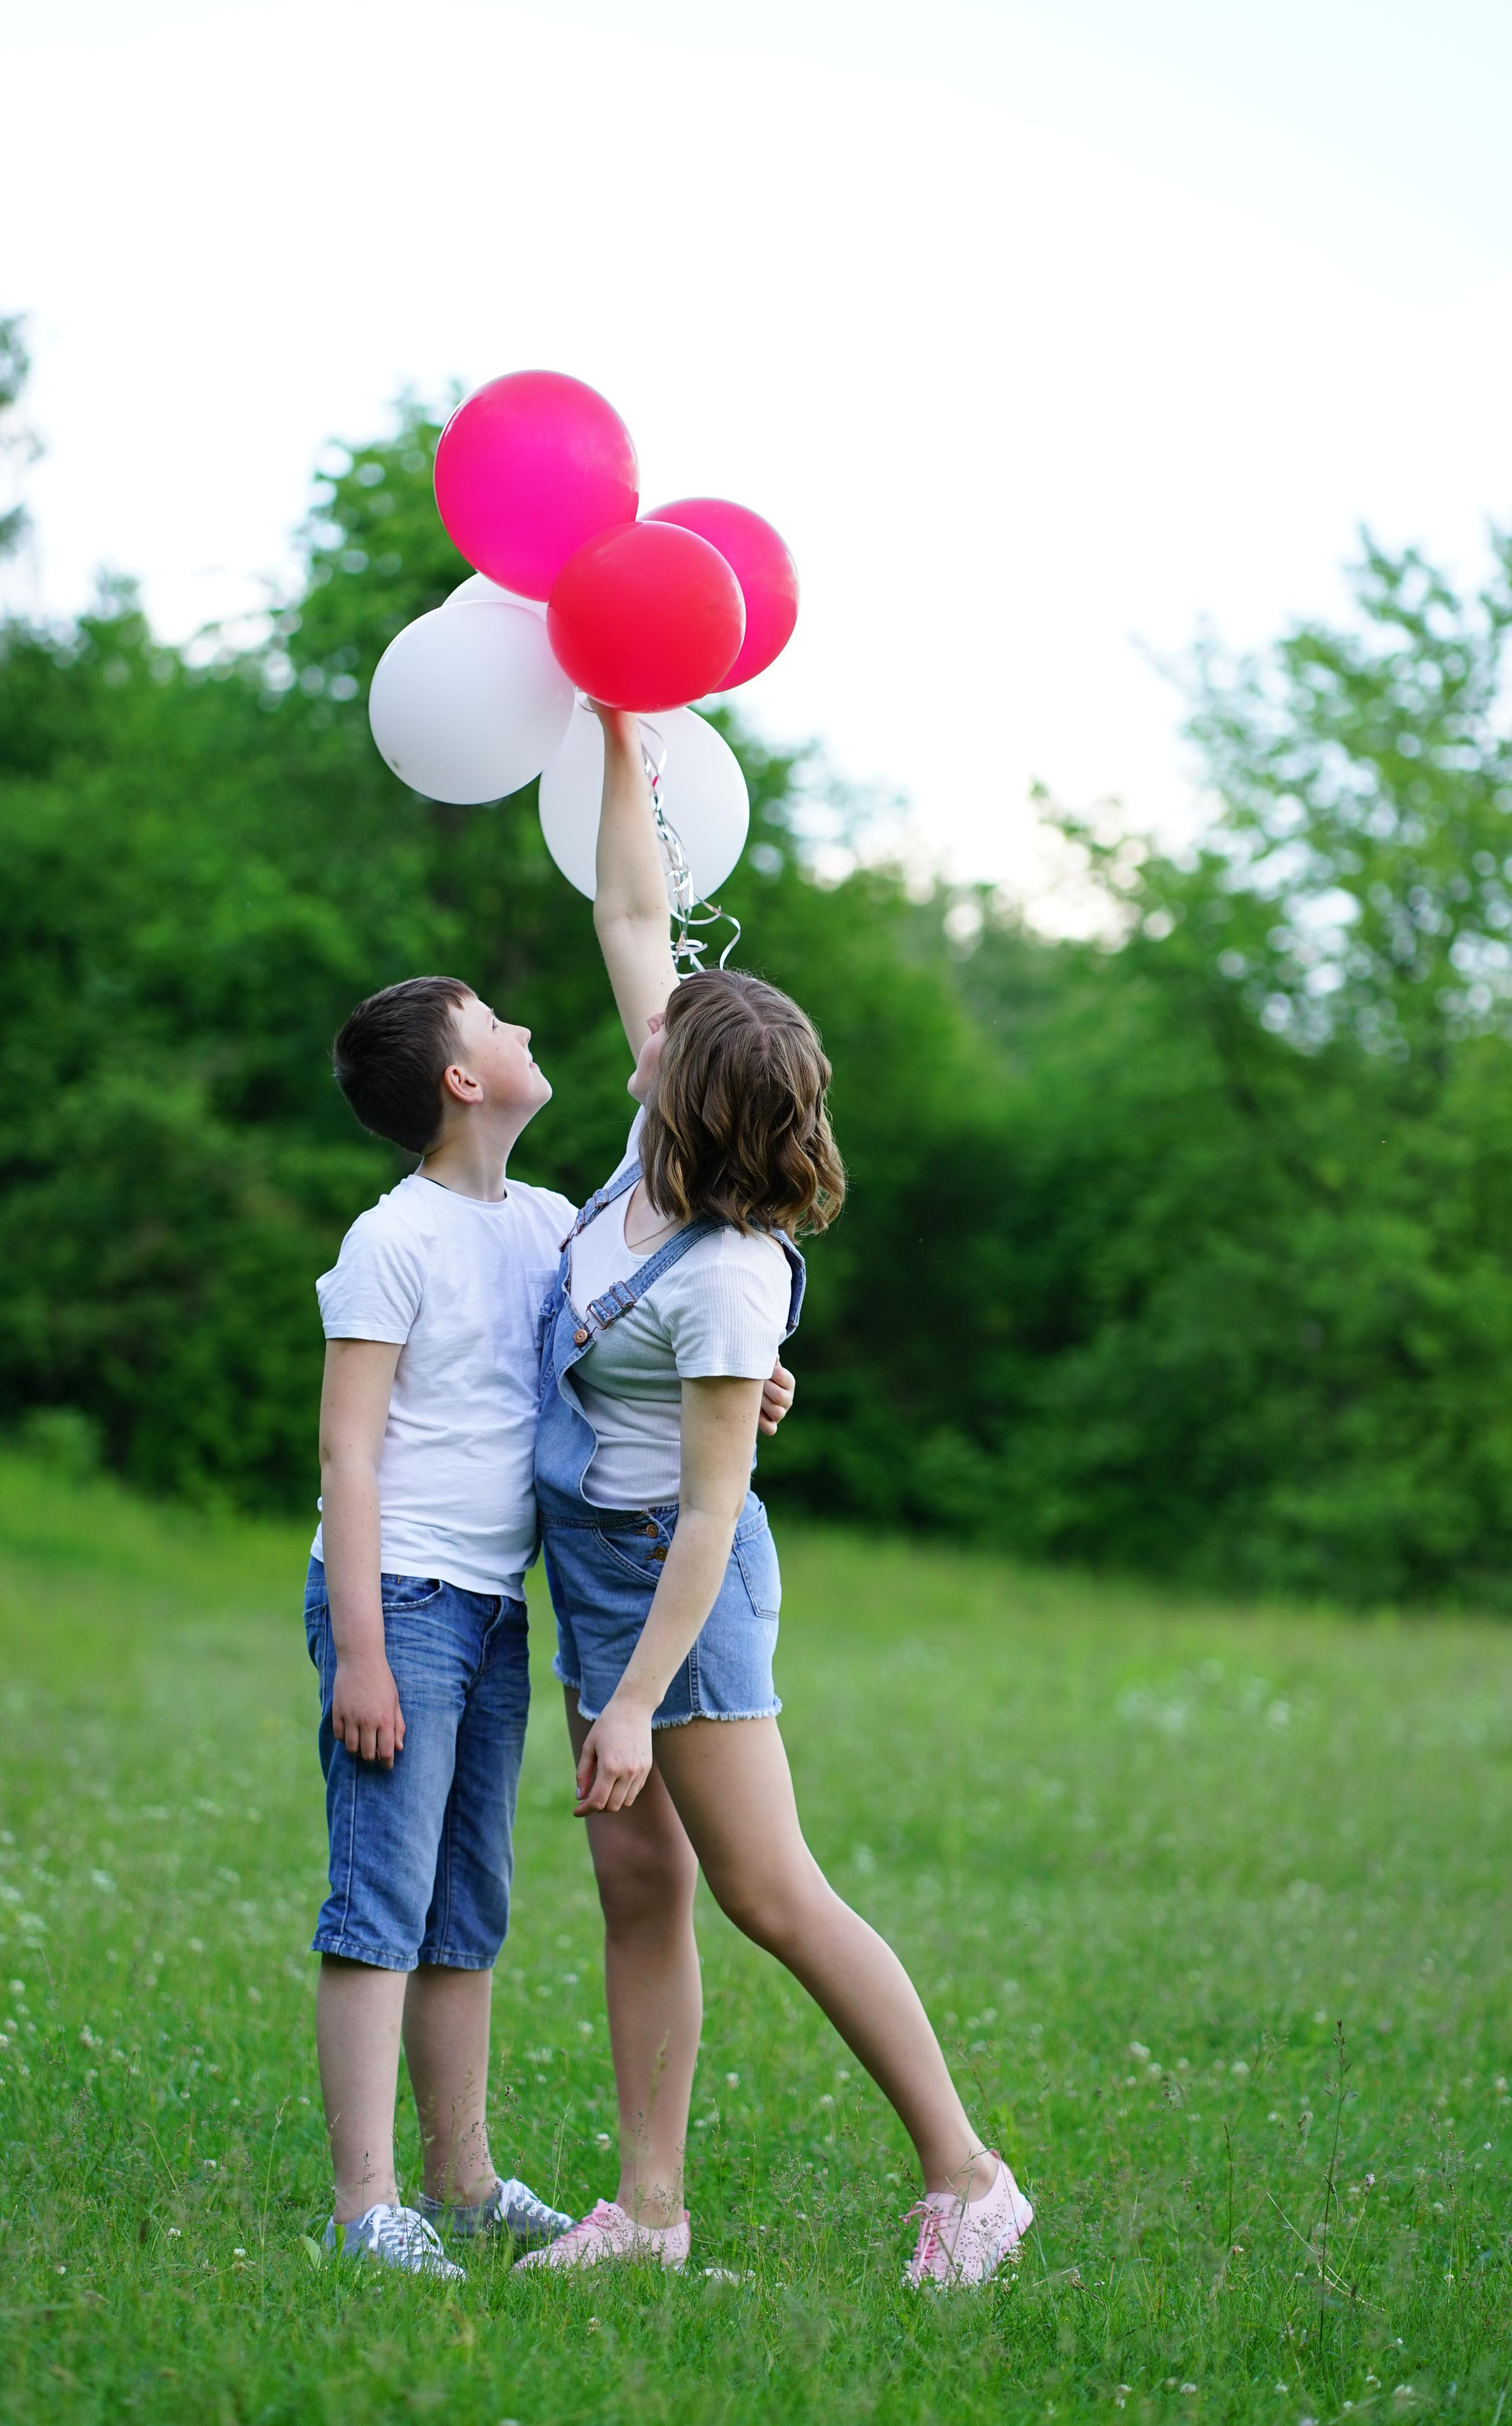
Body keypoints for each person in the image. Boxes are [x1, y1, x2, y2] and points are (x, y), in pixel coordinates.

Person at [515, 708, 1035, 2289]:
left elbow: (702, 1518)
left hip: (680, 1594)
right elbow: (625, 908)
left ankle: (969, 2176)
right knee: (637, 1885)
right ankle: (650, 2215)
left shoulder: (733, 1287)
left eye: (665, 1035)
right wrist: (616, 727)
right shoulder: (644, 1153)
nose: (643, 1026)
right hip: (603, 1568)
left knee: (766, 1891)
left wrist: (628, 1706)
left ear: (687, 1094)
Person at [308, 969, 794, 2275]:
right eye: (495, 1025)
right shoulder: (388, 1239)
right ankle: (365, 2209)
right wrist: (359, 1648)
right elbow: (347, 1459)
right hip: (400, 1601)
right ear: (464, 1080)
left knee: (466, 1908)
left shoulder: (540, 1223)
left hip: (493, 1605)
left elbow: (612, 1352)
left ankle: (461, 2185)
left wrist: (744, 1381)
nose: (526, 1029)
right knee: (380, 1903)